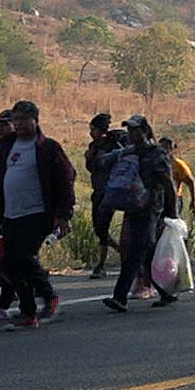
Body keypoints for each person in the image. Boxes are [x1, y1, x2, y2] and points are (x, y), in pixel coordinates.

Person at [0, 100, 72, 329]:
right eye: (16, 120)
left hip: (37, 212)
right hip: (11, 213)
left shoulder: (47, 148)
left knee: (23, 258)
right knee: (10, 265)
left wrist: (63, 214)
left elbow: (66, 179)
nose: (19, 124)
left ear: (35, 120)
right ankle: (29, 313)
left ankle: (49, 296)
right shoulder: (6, 146)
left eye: (23, 119)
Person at [100, 115, 179, 310]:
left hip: (151, 210)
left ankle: (120, 297)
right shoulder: (129, 152)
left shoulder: (156, 154)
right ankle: (166, 292)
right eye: (130, 131)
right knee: (147, 254)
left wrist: (172, 213)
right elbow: (103, 162)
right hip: (134, 208)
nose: (132, 134)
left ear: (145, 131)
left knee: (136, 252)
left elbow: (168, 184)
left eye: (135, 130)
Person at [84, 114, 124, 279]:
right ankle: (123, 252)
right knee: (99, 229)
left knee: (103, 226)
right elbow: (92, 169)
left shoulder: (113, 145)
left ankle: (101, 265)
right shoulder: (93, 145)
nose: (90, 133)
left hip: (110, 191)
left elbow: (119, 163)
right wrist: (89, 159)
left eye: (93, 129)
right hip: (98, 191)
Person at [160, 137, 195, 216]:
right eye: (161, 147)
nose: (163, 150)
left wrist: (194, 201)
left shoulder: (178, 165)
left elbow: (191, 182)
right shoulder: (155, 163)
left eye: (166, 147)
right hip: (159, 199)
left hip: (174, 199)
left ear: (172, 149)